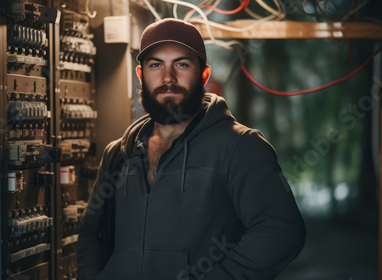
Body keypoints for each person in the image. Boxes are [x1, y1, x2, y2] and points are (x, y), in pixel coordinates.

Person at [77, 18, 306, 280]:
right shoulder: (118, 153)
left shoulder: (242, 147)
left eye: (181, 64)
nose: (168, 77)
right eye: (156, 65)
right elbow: (89, 232)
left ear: (204, 75)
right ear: (141, 75)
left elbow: (281, 230)